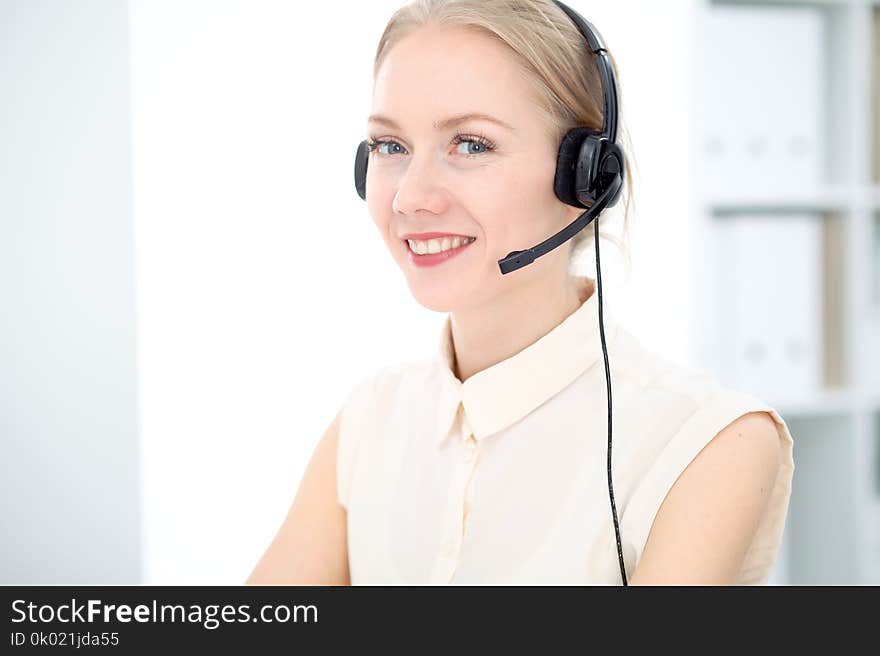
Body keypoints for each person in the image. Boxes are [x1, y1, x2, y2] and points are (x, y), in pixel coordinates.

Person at [246, 0, 794, 586]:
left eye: (471, 144)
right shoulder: (370, 421)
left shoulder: (705, 441)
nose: (409, 196)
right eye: (390, 146)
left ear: (585, 176)